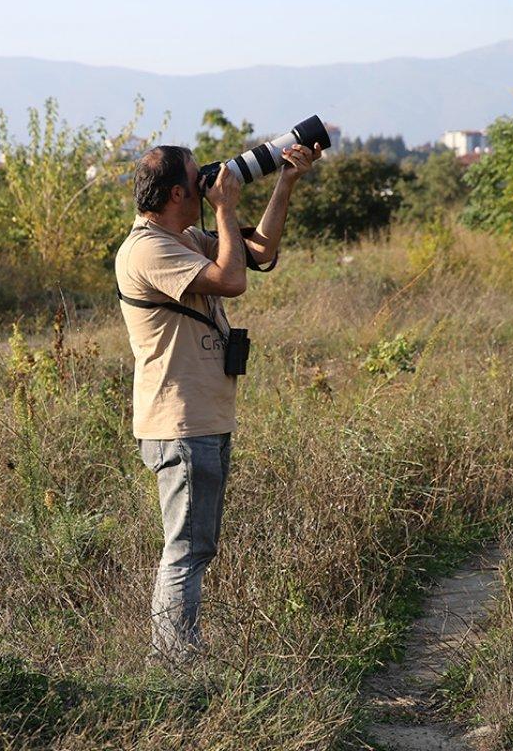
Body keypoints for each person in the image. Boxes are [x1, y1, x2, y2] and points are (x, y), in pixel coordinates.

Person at [114, 141, 320, 662]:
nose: (211, 181)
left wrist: (285, 181)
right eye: (198, 177)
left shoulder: (180, 237)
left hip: (202, 417)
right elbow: (232, 281)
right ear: (180, 191)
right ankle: (176, 662)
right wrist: (226, 207)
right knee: (185, 549)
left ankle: (174, 654)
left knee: (194, 546)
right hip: (179, 421)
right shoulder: (148, 248)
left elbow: (257, 254)